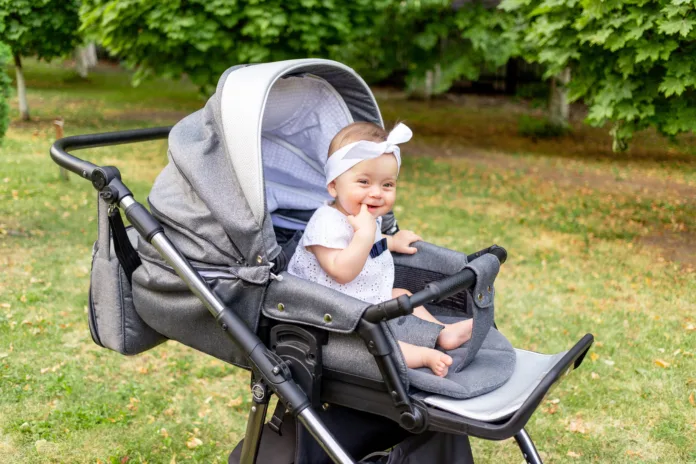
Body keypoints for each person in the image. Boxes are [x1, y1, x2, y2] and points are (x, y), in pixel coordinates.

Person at [288, 122, 473, 377]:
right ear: (333, 186)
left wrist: (390, 241)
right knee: (370, 340)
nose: (376, 193)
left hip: (359, 298)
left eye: (387, 185)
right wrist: (364, 234)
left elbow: (371, 251)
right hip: (329, 313)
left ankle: (443, 332)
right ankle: (420, 356)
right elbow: (342, 272)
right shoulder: (325, 223)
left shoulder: (364, 215)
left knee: (401, 294)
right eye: (364, 182)